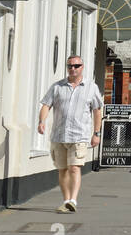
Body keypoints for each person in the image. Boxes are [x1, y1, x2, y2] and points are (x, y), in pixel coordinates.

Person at [38, 54, 103, 214]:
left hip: (79, 135)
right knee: (62, 170)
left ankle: (73, 200)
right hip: (59, 135)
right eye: (70, 66)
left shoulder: (91, 87)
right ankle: (66, 201)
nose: (72, 69)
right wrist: (42, 121)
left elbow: (97, 111)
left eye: (76, 66)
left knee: (74, 167)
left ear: (82, 67)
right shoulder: (57, 87)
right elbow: (46, 105)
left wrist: (96, 133)